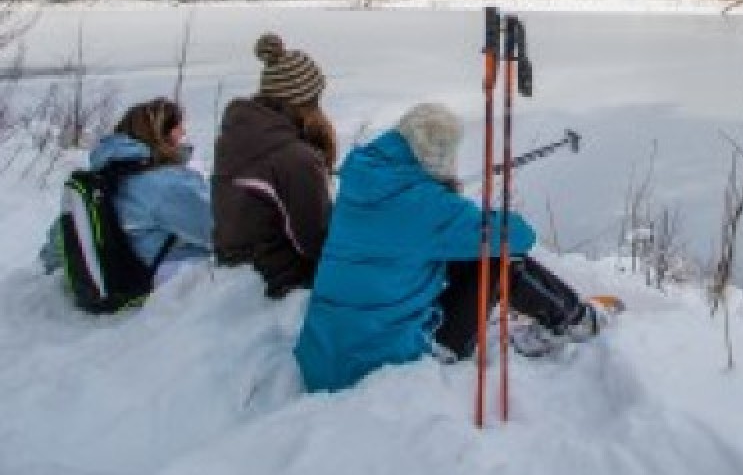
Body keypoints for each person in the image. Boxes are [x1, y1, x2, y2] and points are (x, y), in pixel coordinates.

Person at [294, 102, 608, 392]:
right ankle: (577, 320)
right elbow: (518, 235)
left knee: (460, 254)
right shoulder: (427, 208)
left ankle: (564, 316)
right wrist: (449, 200)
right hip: (376, 365)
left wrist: (444, 199)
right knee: (500, 261)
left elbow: (406, 234)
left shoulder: (361, 182)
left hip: (324, 356)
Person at [211, 33, 335, 298]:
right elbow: (316, 241)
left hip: (235, 268)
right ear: (306, 102)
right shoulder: (294, 158)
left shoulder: (237, 137)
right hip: (277, 279)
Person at [40, 97, 213, 284]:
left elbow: (53, 252)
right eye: (179, 128)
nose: (184, 133)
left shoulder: (99, 181)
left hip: (113, 284)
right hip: (162, 293)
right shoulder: (165, 183)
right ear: (161, 134)